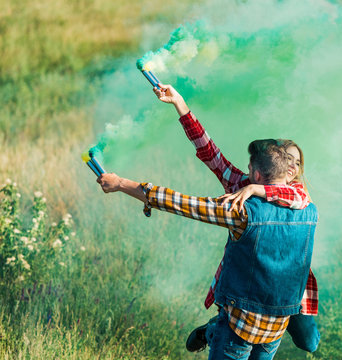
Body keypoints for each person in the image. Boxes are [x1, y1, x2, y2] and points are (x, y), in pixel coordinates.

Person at [97, 140, 318, 360]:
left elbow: (180, 203)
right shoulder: (309, 209)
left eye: (250, 169)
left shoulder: (242, 211)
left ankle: (212, 331)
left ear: (257, 175)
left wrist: (120, 183)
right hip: (274, 330)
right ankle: (213, 330)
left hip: (237, 327)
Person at [153, 84, 320, 353]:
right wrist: (180, 105)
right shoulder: (240, 185)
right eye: (287, 159)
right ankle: (218, 329)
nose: (292, 166)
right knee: (244, 332)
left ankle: (219, 328)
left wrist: (257, 189)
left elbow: (295, 196)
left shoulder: (299, 195)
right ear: (272, 162)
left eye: (297, 163)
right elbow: (209, 152)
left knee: (309, 343)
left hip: (290, 287)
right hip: (253, 286)